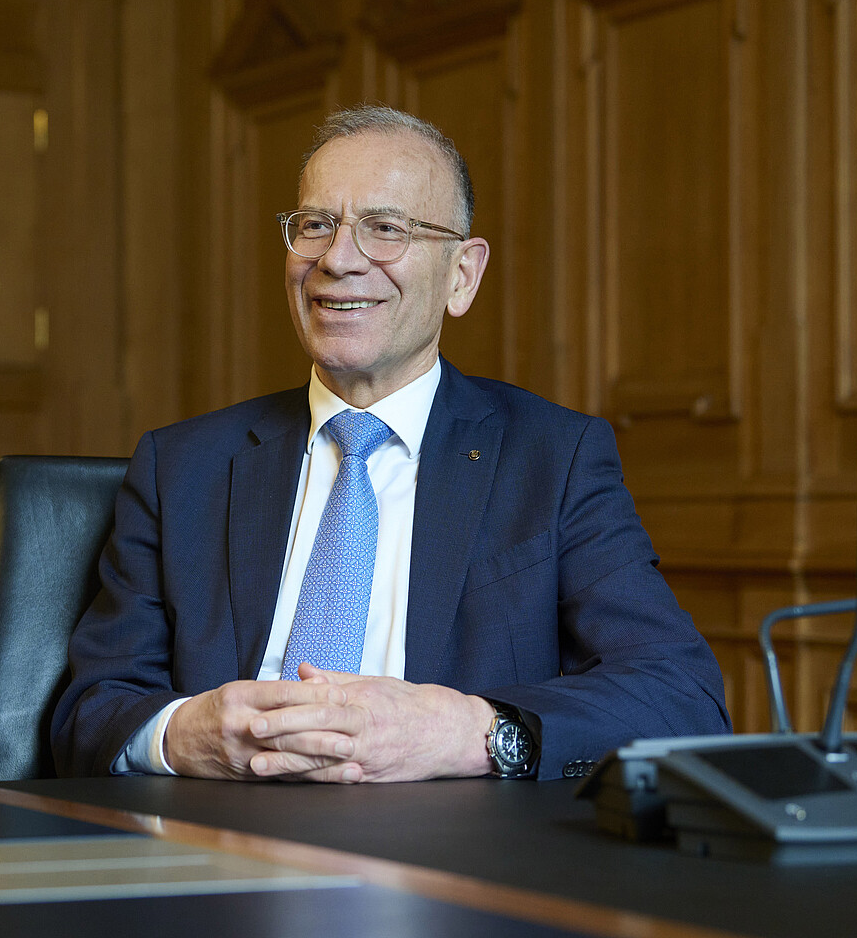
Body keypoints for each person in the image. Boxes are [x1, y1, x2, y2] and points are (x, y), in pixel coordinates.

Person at [50, 104, 730, 782]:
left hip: (451, 859)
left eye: (385, 229)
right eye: (315, 225)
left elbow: (682, 698)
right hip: (220, 850)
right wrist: (183, 735)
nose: (338, 260)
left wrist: (471, 731)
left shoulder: (552, 460)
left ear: (461, 275)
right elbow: (92, 710)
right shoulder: (183, 468)